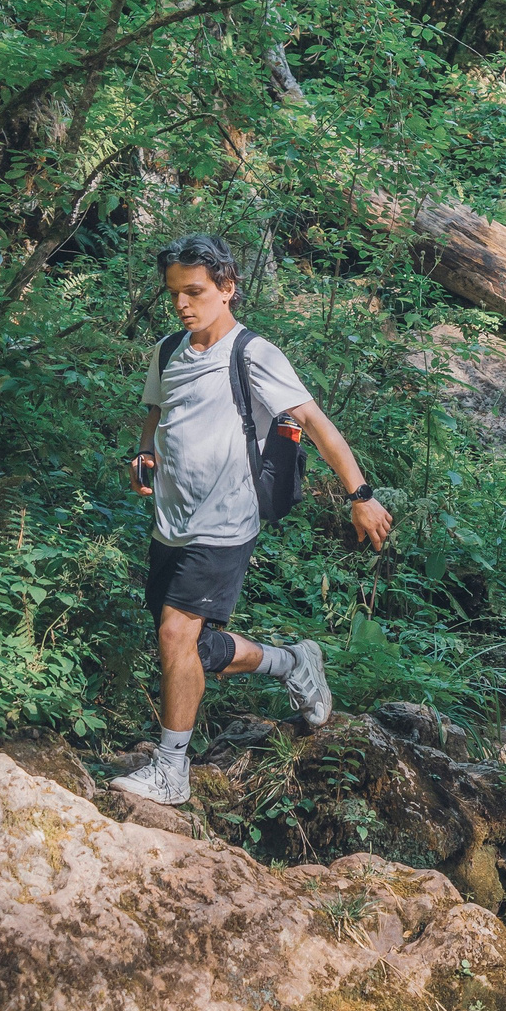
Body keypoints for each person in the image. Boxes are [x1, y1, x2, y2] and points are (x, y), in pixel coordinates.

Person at [116, 234, 393, 805]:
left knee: (175, 635)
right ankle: (293, 662)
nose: (182, 304)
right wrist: (143, 453)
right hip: (171, 520)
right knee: (190, 649)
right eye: (174, 293)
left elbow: (314, 423)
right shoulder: (167, 351)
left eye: (195, 292)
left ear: (227, 288)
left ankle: (171, 770)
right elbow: (155, 413)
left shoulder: (253, 353)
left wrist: (360, 494)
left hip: (225, 521)